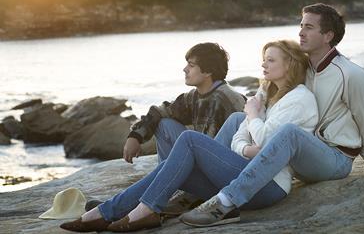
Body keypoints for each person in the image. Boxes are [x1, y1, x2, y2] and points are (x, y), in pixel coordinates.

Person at [180, 3, 364, 227]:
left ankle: (226, 201)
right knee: (238, 120)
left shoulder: (352, 75)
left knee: (289, 132)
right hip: (299, 158)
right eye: (301, 25)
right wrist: (254, 108)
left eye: (309, 27)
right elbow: (263, 93)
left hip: (334, 159)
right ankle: (197, 190)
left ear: (328, 35)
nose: (300, 32)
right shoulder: (299, 66)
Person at [59, 39, 319, 232]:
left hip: (267, 186)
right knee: (167, 165)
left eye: (271, 60)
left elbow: (265, 144)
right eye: (264, 58)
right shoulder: (265, 96)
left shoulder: (296, 100)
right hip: (240, 173)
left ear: (290, 65)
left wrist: (251, 121)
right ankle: (109, 211)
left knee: (188, 141)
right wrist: (246, 144)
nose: (263, 64)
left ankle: (145, 209)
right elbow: (241, 140)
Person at [123, 42, 246, 165]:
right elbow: (161, 111)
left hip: (220, 166)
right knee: (164, 124)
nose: (185, 69)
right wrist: (135, 136)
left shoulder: (229, 99)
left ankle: (172, 175)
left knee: (187, 137)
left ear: (208, 71)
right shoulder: (194, 96)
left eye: (191, 65)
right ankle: (167, 171)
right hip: (201, 157)